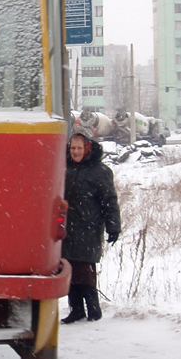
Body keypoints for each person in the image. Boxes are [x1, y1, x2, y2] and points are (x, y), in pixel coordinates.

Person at [60, 126, 121, 323]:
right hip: (67, 228)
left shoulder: (99, 172)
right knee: (69, 268)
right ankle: (76, 310)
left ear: (87, 148)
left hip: (89, 227)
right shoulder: (64, 169)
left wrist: (113, 226)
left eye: (79, 148)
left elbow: (109, 201)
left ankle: (94, 310)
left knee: (85, 270)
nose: (75, 152)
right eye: (72, 149)